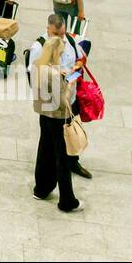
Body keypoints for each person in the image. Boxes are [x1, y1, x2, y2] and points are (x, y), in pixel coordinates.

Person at [31, 25, 81, 213]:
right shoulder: (54, 73)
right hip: (58, 117)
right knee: (63, 157)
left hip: (44, 114)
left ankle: (41, 189)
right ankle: (67, 200)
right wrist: (71, 81)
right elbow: (63, 99)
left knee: (44, 150)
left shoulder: (39, 65)